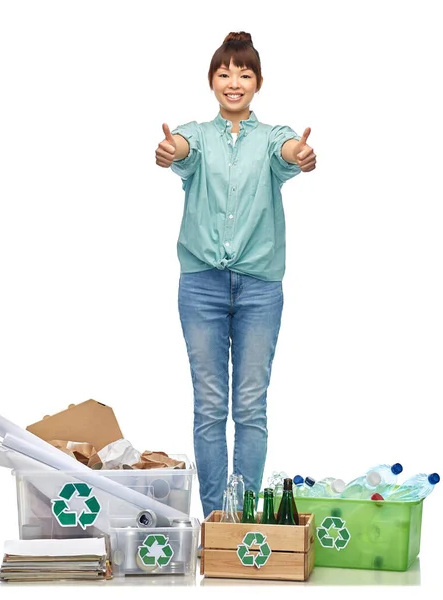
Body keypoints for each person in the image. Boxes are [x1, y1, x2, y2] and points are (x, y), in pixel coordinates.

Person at [155, 31, 316, 519]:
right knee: (209, 406)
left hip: (260, 287)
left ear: (258, 83)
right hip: (200, 283)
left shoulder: (271, 137)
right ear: (212, 80)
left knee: (249, 406)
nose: (233, 81)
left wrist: (301, 156)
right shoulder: (198, 135)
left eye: (244, 73)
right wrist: (169, 151)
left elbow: (290, 153)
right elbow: (179, 149)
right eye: (224, 72)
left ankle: (244, 519)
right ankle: (214, 521)